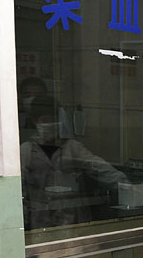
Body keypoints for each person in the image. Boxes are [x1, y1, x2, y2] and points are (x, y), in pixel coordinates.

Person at [20, 95, 128, 229]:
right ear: (35, 121)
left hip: (72, 219)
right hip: (40, 221)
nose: (51, 124)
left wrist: (124, 183)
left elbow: (99, 167)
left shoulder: (72, 147)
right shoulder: (27, 150)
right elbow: (19, 188)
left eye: (54, 119)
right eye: (46, 120)